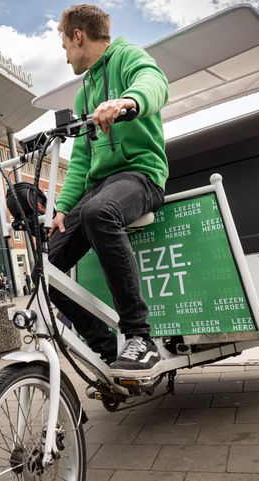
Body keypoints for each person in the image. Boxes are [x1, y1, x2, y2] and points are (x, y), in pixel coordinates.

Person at [50, 4, 168, 376]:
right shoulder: (84, 94)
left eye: (65, 46)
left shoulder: (129, 56)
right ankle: (107, 349)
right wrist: (62, 208)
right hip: (100, 186)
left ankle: (139, 337)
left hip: (140, 176)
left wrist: (127, 101)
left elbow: (154, 83)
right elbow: (82, 160)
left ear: (78, 36)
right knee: (46, 270)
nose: (65, 56)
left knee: (100, 211)